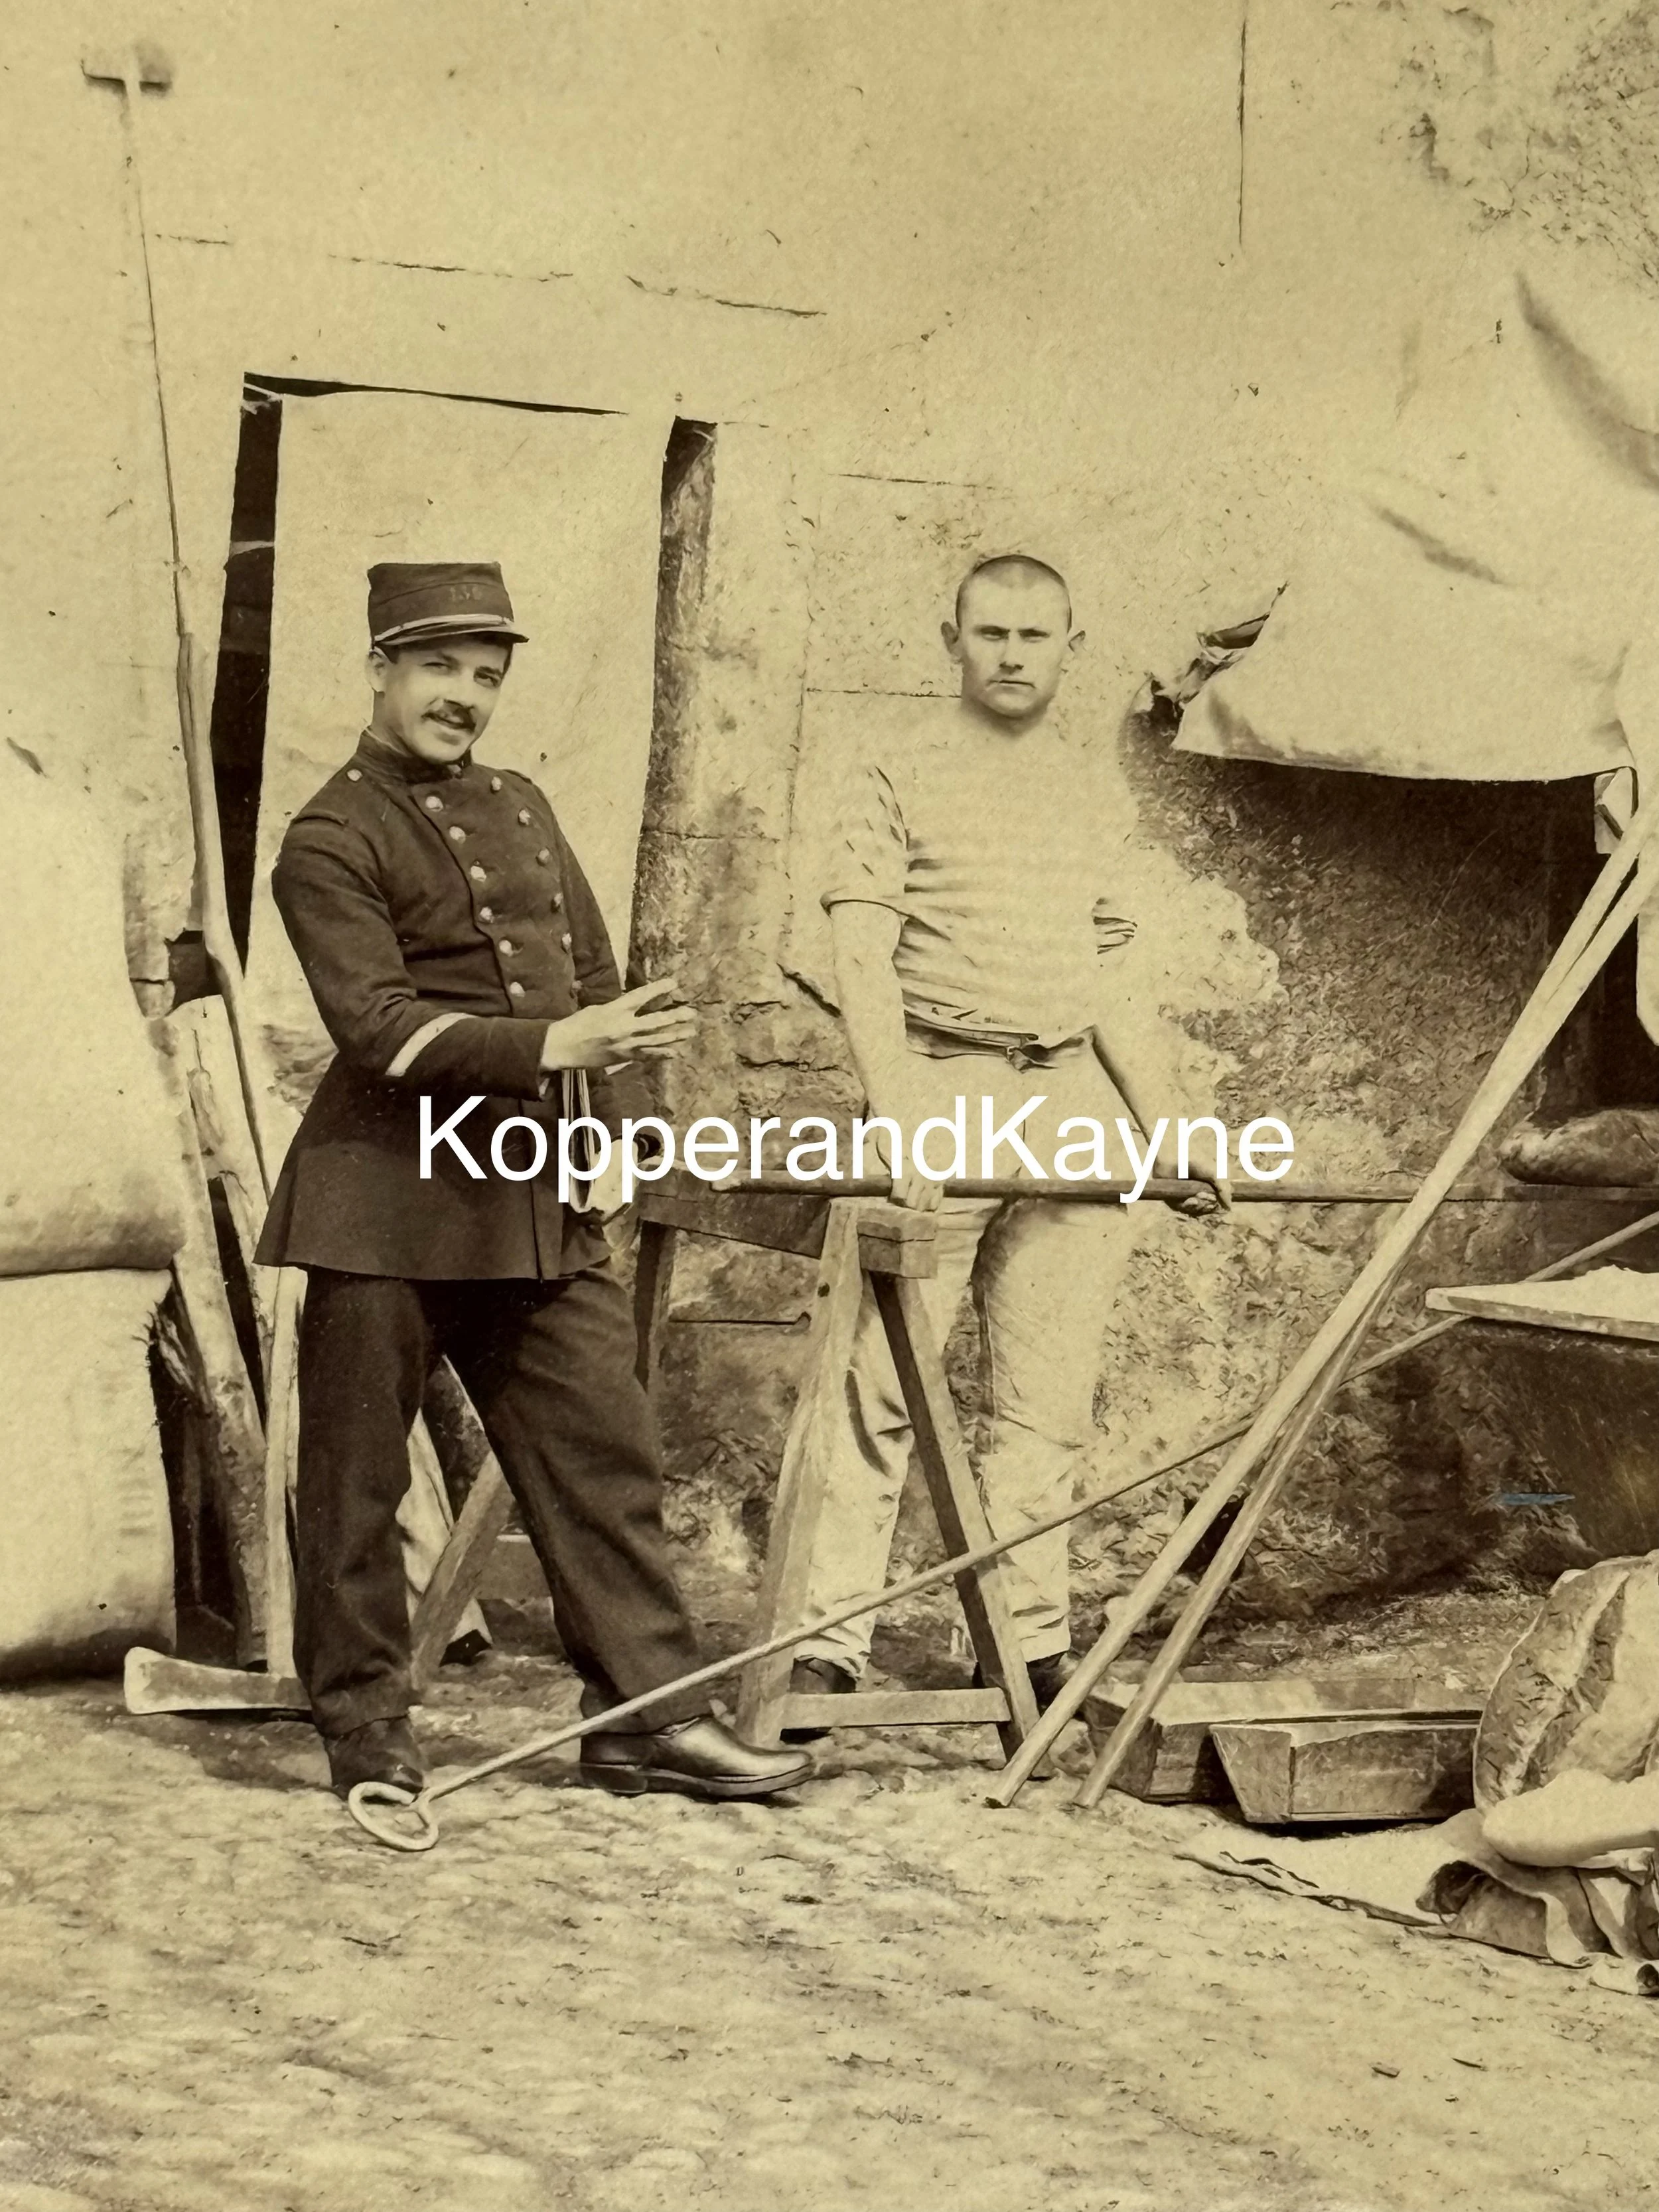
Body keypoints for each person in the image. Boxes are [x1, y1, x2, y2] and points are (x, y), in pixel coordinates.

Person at [255, 559, 808, 1804]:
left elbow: (593, 985)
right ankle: (367, 1739)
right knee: (356, 1485)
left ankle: (648, 1720)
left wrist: (604, 1129)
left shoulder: (523, 802)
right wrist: (557, 1051)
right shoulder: (330, 834)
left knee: (604, 1459)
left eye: (487, 677)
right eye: (441, 668)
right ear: (381, 669)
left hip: (530, 1191)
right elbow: (378, 1030)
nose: (465, 696)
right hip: (383, 1201)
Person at [787, 552, 1221, 1731]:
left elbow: (1113, 978)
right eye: (992, 633)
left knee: (1045, 1397)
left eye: (1037, 635)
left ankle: (1026, 1647)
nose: (1014, 654)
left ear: (1071, 646)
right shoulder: (891, 765)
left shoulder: (1093, 789)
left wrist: (1167, 1128)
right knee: (883, 1383)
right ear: (953, 639)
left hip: (1067, 1094)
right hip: (940, 1076)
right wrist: (902, 1117)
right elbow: (861, 953)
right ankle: (827, 1642)